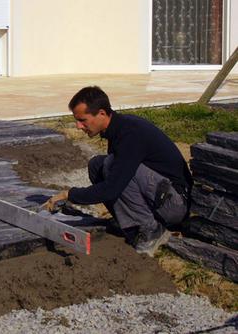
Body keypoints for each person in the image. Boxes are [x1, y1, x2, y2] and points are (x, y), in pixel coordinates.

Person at [45, 86, 192, 257]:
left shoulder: (131, 134)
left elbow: (112, 187)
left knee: (111, 166)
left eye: (83, 120)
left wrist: (69, 194)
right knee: (97, 165)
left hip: (175, 205)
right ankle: (132, 224)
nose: (79, 126)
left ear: (101, 114)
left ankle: (151, 231)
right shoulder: (117, 129)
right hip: (161, 197)